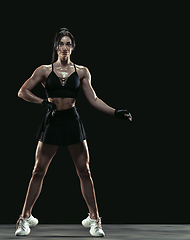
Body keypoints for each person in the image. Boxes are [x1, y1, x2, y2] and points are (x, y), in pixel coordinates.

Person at [15, 28, 132, 237]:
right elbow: (22, 91)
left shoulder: (82, 71)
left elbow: (93, 99)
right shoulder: (44, 70)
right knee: (37, 171)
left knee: (85, 170)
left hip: (72, 121)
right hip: (52, 121)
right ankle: (24, 218)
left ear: (73, 47)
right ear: (56, 46)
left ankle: (95, 220)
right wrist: (43, 102)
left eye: (69, 44)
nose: (65, 48)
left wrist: (115, 112)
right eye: (62, 44)